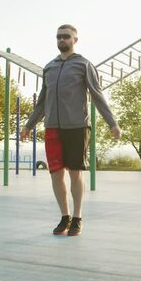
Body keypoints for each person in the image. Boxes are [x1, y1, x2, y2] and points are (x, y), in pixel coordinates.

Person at [21, 24, 121, 237]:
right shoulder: (49, 67)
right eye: (58, 37)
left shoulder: (84, 65)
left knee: (75, 173)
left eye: (66, 37)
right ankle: (64, 217)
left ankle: (77, 217)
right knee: (56, 174)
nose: (62, 40)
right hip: (52, 127)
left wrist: (112, 123)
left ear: (75, 39)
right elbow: (41, 102)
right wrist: (28, 125)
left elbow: (97, 95)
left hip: (77, 126)